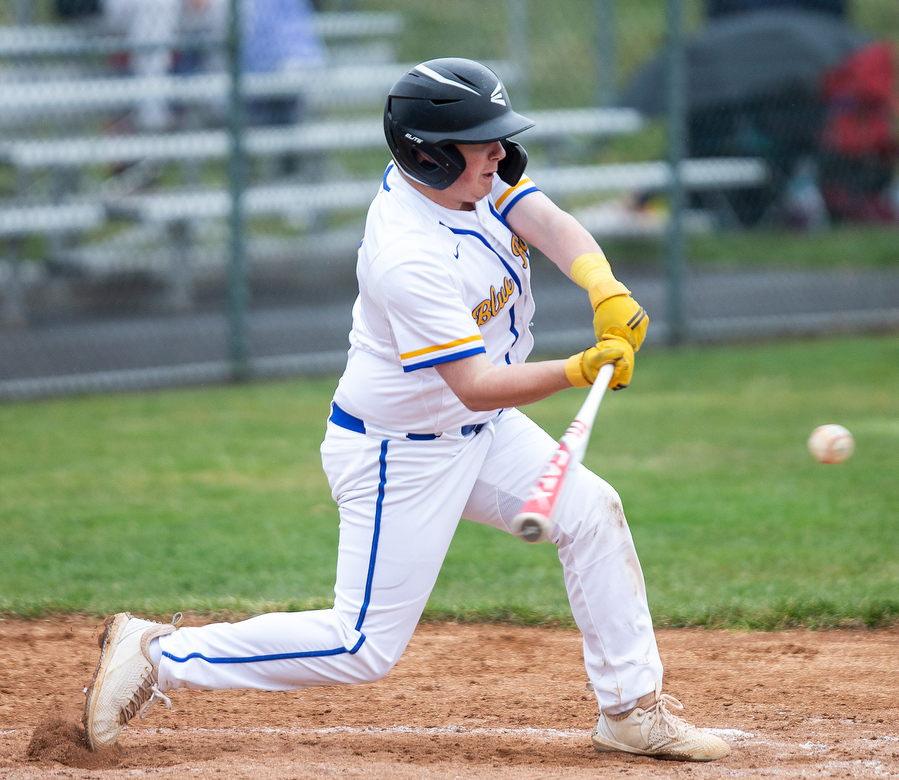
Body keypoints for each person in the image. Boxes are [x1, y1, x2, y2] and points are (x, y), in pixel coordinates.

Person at [81, 58, 732, 764]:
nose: (499, 153)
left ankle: (631, 712)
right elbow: (476, 384)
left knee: (592, 511)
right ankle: (159, 653)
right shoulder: (407, 255)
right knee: (362, 646)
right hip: (402, 450)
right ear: (428, 152)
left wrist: (602, 284)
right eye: (481, 141)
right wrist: (578, 369)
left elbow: (541, 215)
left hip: (476, 431)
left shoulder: (474, 180)